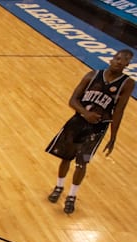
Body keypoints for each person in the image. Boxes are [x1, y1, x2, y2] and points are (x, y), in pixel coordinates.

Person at [45, 48, 134, 214]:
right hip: (77, 123)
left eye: (124, 60)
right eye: (117, 58)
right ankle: (58, 187)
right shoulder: (92, 75)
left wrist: (113, 136)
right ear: (111, 59)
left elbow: (120, 110)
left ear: (128, 64)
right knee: (66, 157)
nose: (119, 62)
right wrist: (86, 113)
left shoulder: (127, 83)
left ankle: (72, 195)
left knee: (82, 162)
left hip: (97, 130)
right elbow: (72, 100)